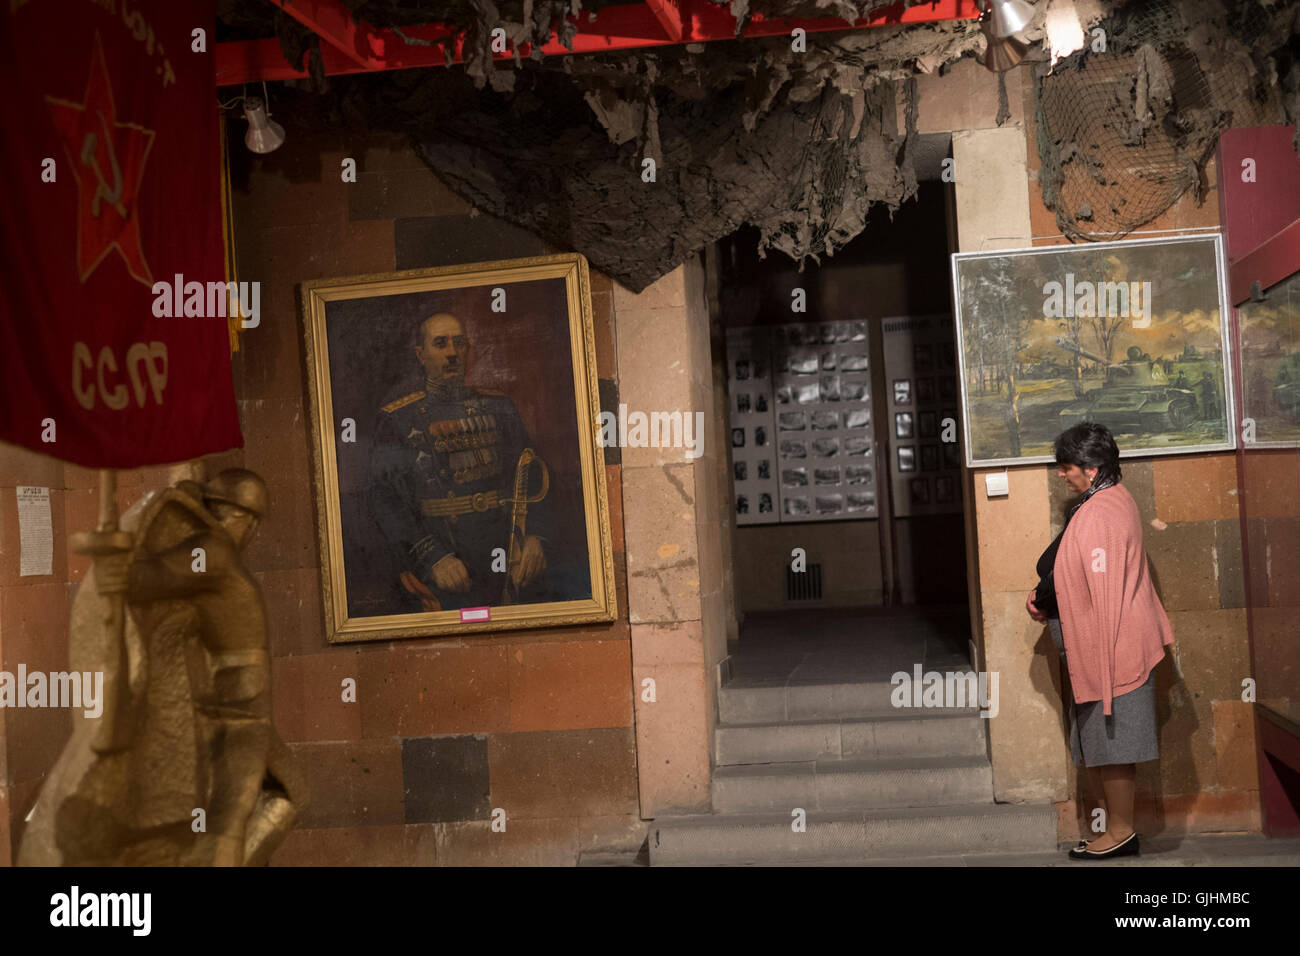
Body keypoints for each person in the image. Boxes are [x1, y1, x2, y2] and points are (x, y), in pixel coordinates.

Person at [1026, 422, 1174, 860]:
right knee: (1100, 744)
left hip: (1112, 649)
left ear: (1091, 469)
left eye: (1065, 466)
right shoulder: (1102, 501)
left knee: (1114, 745)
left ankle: (1122, 832)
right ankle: (1114, 830)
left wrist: (1101, 660)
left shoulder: (1103, 511)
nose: (1060, 474)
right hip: (1102, 649)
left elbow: (1104, 588)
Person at [369, 312, 549, 611]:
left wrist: (535, 537)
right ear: (421, 355)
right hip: (446, 560)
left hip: (508, 554)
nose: (452, 353)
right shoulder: (398, 419)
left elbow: (536, 476)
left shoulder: (499, 406)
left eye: (459, 343)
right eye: (440, 344)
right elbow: (385, 501)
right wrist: (434, 558)